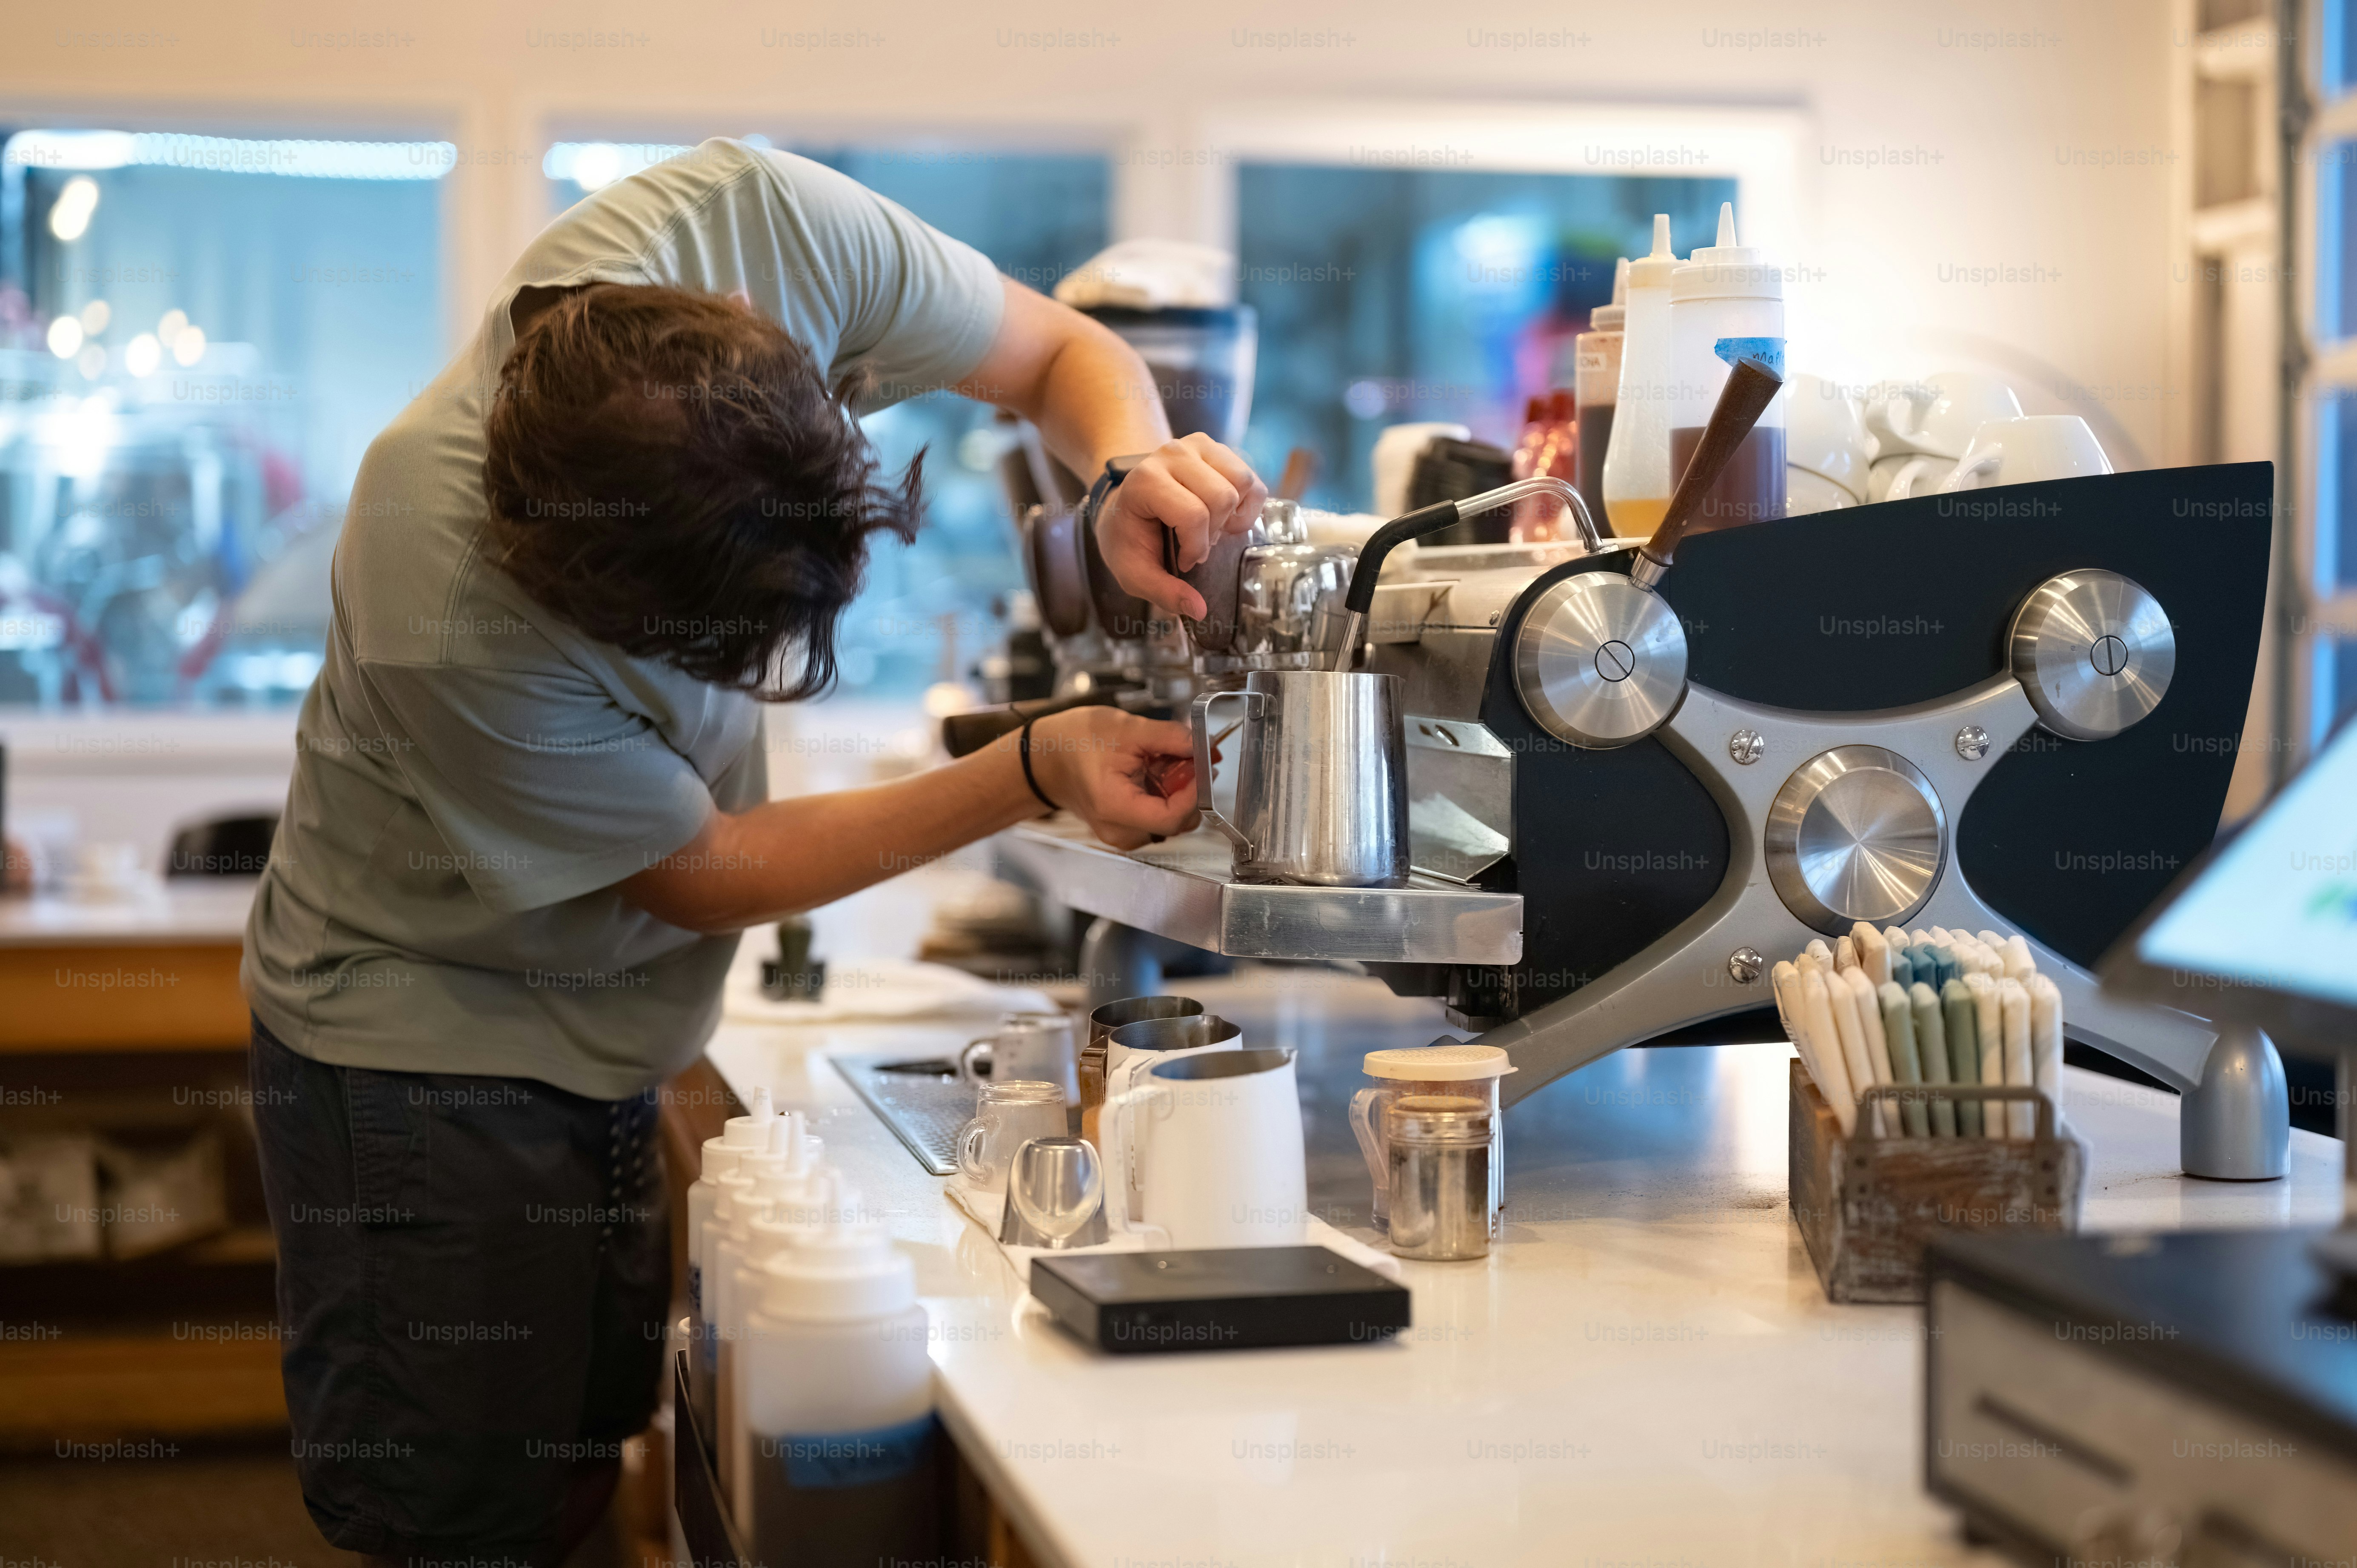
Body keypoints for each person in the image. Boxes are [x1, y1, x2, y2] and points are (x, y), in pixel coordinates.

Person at [241, 138, 1263, 1565]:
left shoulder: (768, 224)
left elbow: (1059, 354)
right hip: (424, 1047)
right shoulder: (439, 580)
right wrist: (1025, 769)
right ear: (582, 593)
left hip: (606, 1028)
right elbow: (698, 866)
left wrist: (1129, 473)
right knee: (461, 1518)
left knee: (581, 1450)